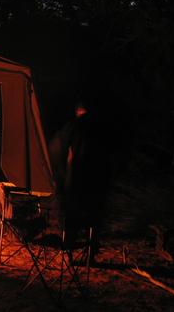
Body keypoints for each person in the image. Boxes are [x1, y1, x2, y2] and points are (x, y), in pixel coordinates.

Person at [49, 102, 109, 260]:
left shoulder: (72, 127)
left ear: (78, 112)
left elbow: (57, 150)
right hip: (97, 181)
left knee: (71, 215)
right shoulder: (101, 129)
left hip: (75, 180)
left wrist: (59, 175)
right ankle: (91, 253)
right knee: (94, 217)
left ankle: (68, 249)